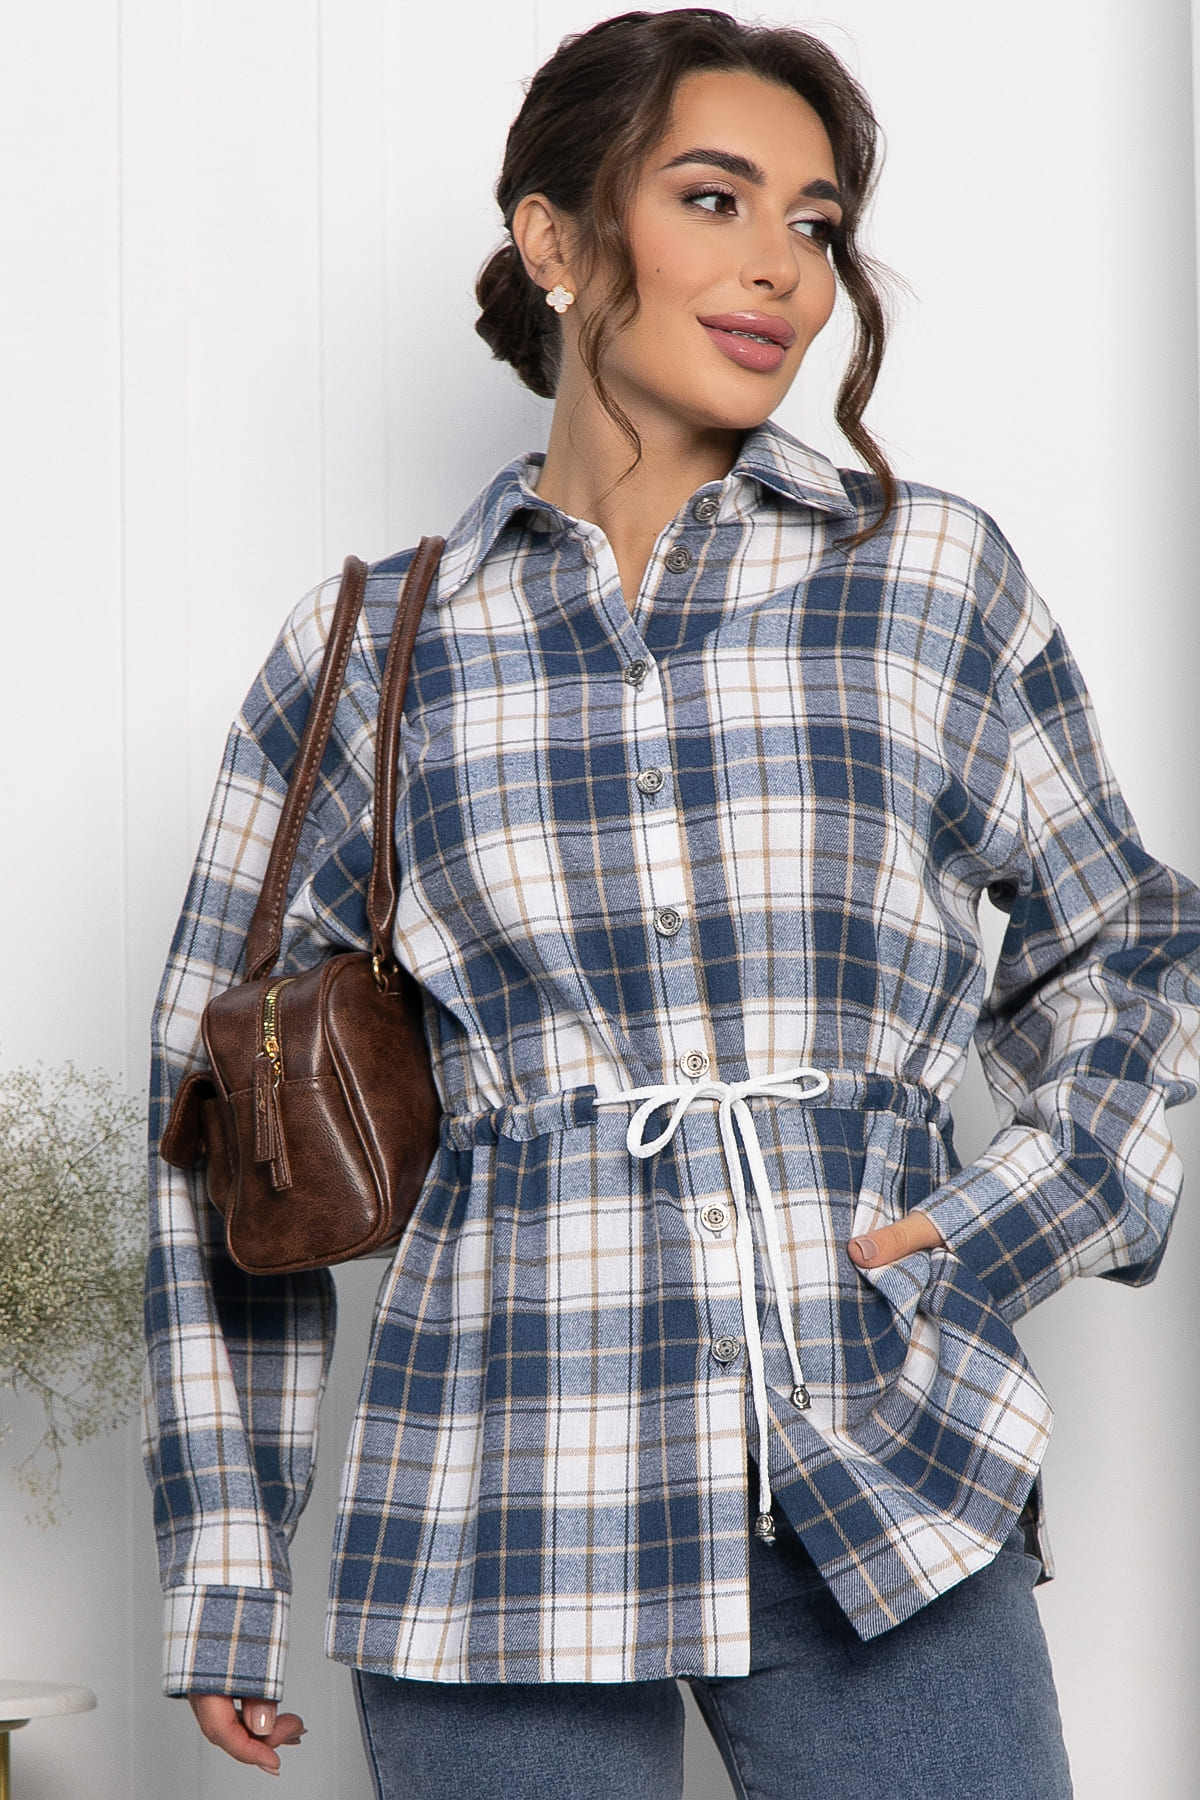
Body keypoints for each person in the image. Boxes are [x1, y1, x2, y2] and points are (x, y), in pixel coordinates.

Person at [143, 10, 1200, 1797]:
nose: (781, 266)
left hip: (881, 1460)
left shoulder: (928, 577)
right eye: (715, 198)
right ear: (555, 238)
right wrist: (226, 1571)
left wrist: (979, 1233)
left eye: (816, 222)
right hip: (495, 1505)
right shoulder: (368, 649)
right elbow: (216, 1129)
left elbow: (1131, 955)